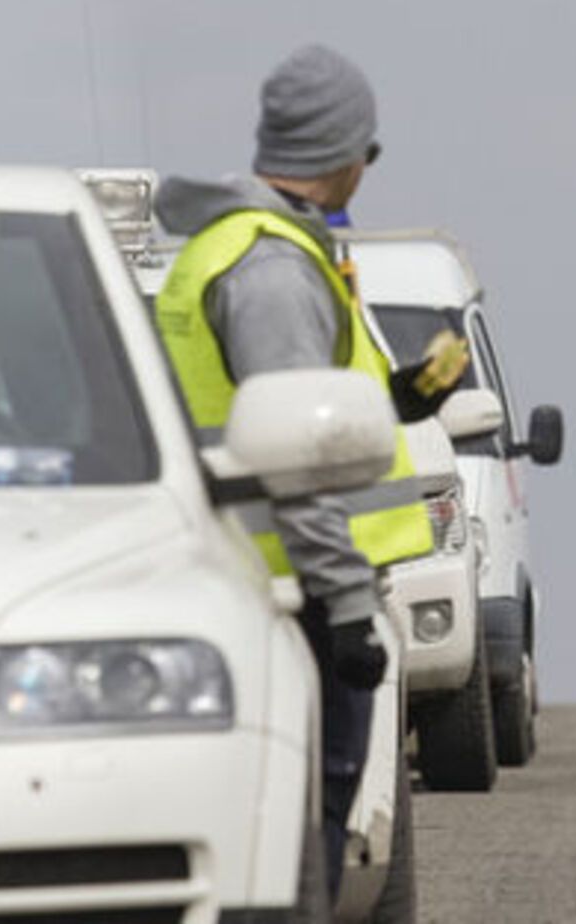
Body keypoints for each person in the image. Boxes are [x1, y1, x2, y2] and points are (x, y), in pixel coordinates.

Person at [151, 44, 459, 897]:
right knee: (308, 829)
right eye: (371, 150)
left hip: (272, 582)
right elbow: (295, 456)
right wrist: (351, 606)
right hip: (292, 593)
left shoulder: (256, 248)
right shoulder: (273, 267)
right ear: (344, 154)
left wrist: (400, 396)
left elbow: (302, 408)